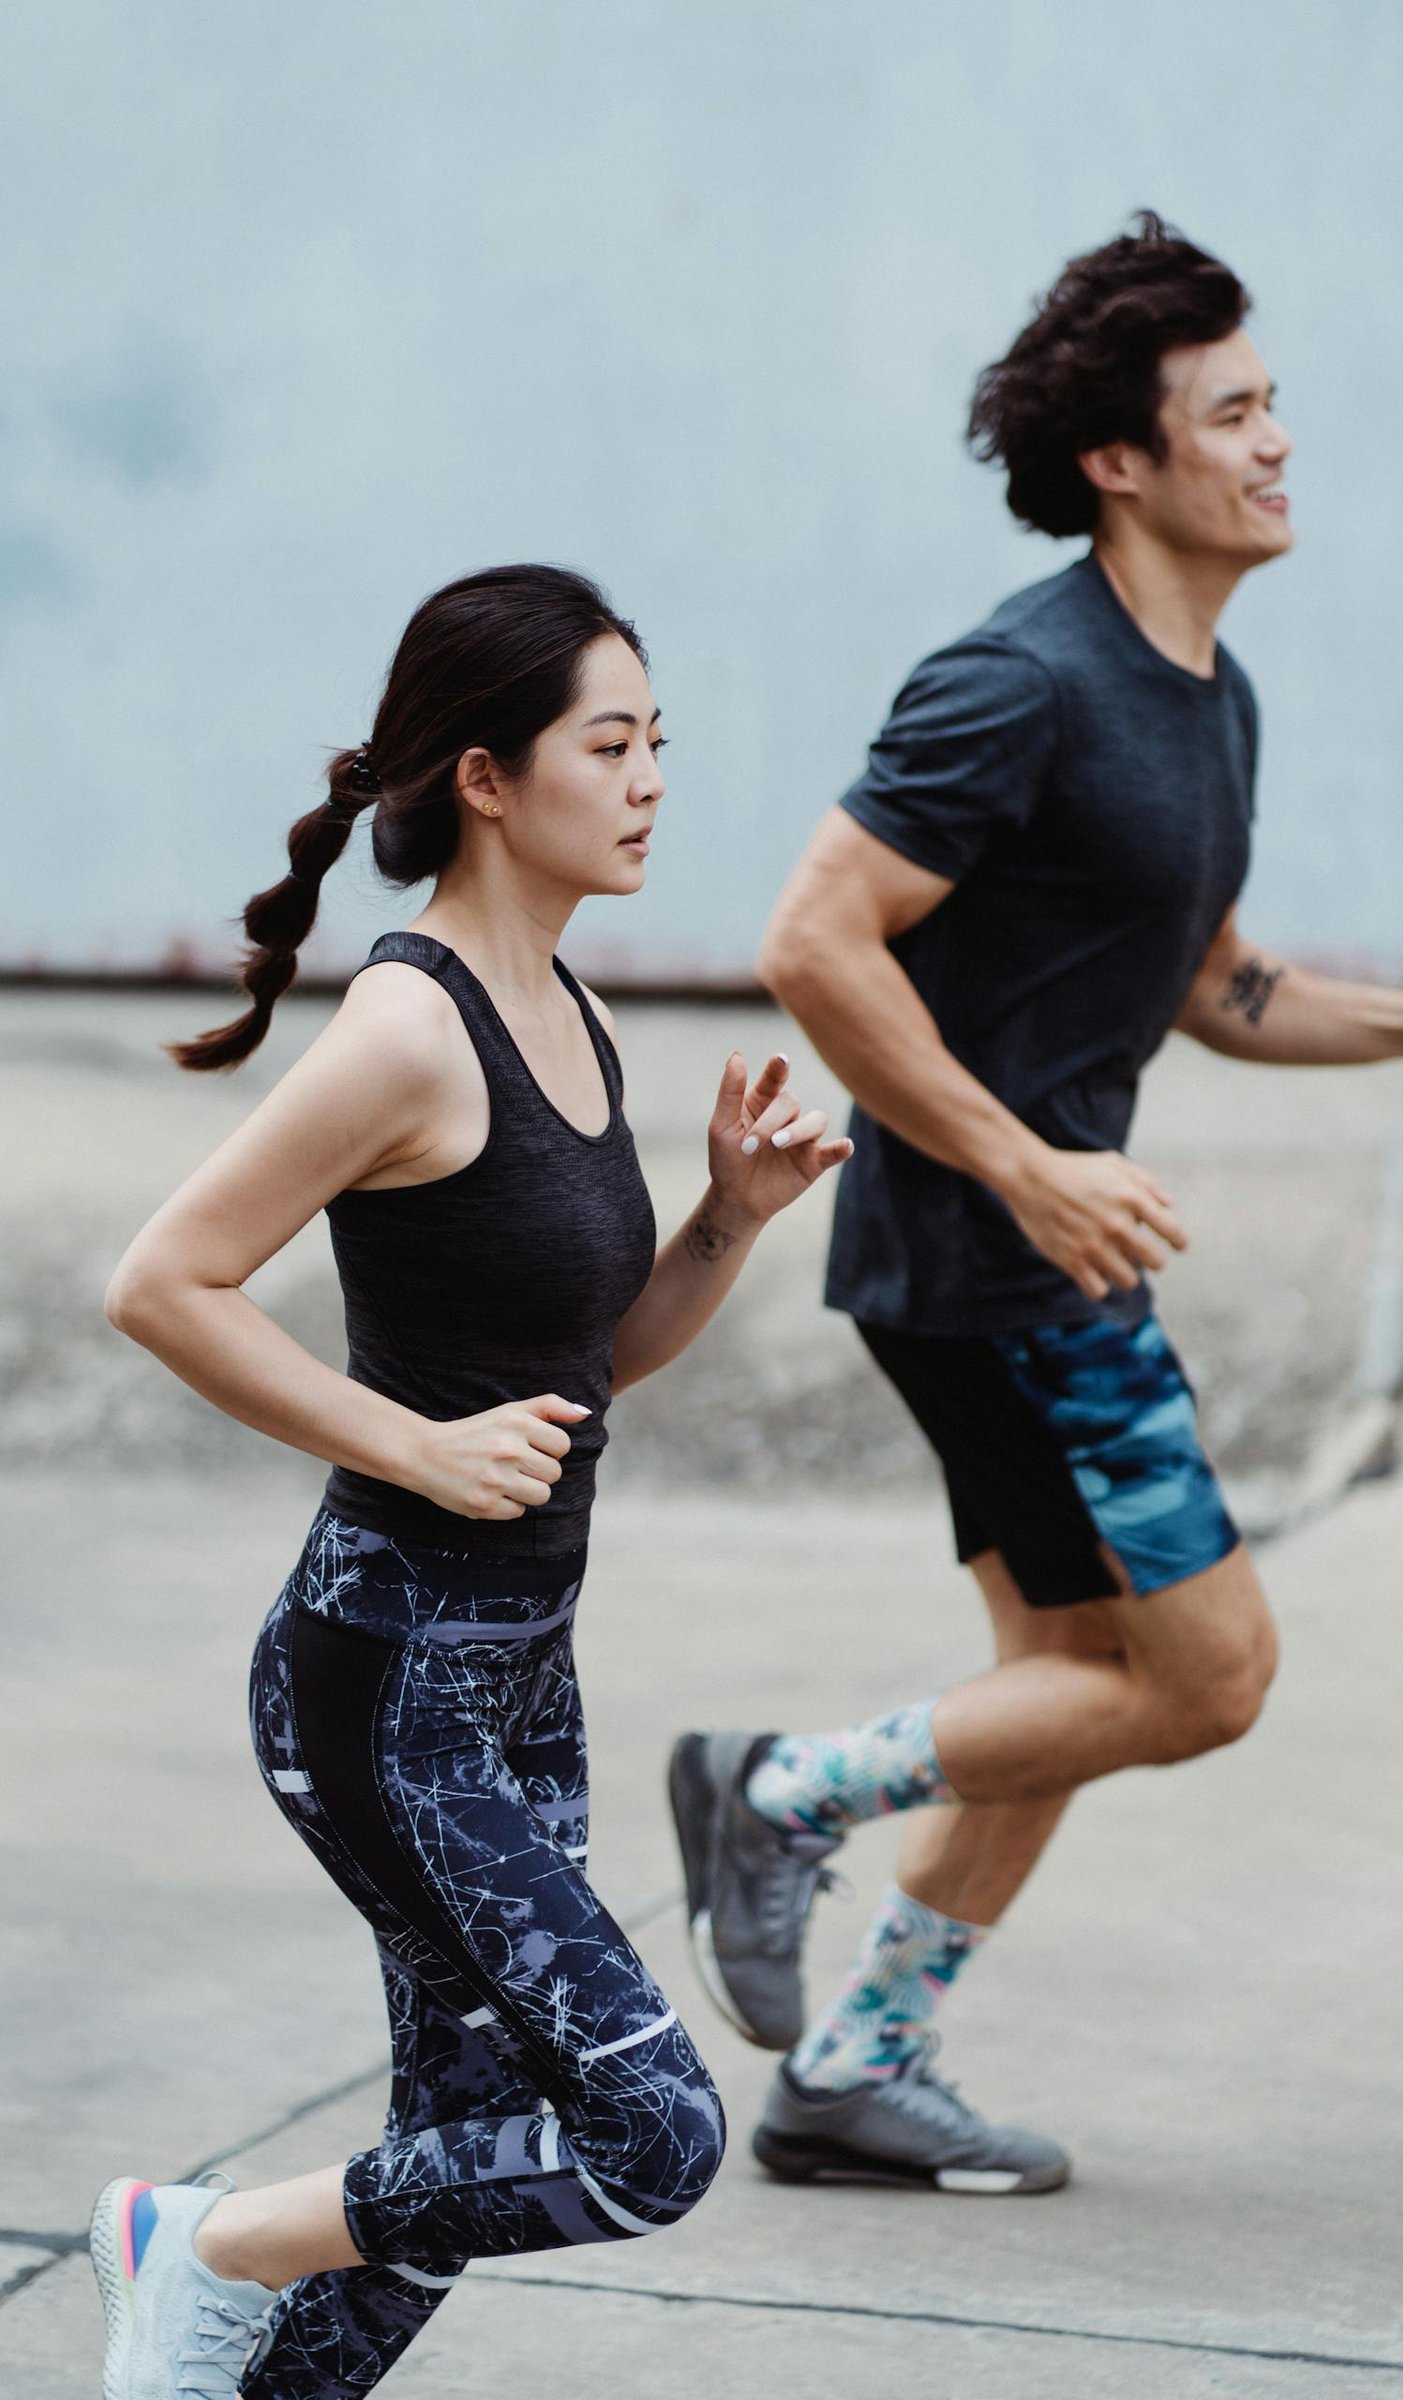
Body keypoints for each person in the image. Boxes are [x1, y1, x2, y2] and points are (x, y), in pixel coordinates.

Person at [669, 214, 1403, 2195]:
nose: (1278, 441)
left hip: (1013, 1250)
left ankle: (851, 2070)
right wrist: (1022, 1163)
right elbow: (812, 939)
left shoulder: (1199, 697)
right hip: (1001, 1267)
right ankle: (773, 1790)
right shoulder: (1016, 681)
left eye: (1271, 401)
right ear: (1119, 464)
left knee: (1055, 1689)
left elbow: (1210, 986)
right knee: (1204, 1677)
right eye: (1233, 411)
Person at [90, 565, 849, 2399]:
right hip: (383, 1680)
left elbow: (594, 1370)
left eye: (663, 740)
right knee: (648, 2135)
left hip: (519, 1677)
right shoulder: (408, 1028)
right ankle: (193, 2240)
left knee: (460, 2166)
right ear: (492, 778)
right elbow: (161, 1282)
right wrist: (412, 1444)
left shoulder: (568, 1012)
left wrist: (726, 1227)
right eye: (613, 743)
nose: (655, 777)